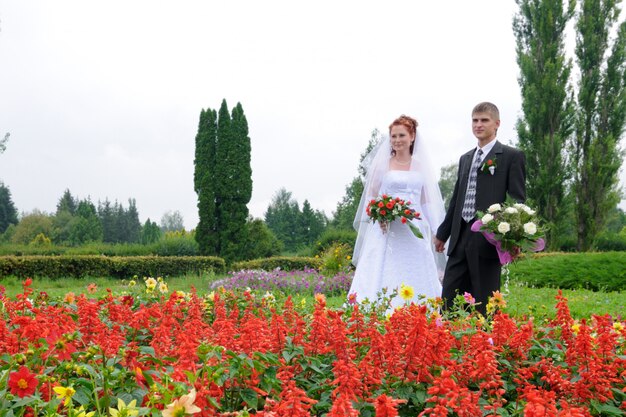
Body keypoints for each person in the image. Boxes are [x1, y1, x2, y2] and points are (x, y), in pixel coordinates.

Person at [434, 102, 526, 315]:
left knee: (485, 299)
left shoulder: (511, 156)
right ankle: (450, 342)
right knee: (450, 297)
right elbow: (457, 199)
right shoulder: (466, 158)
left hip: (488, 238)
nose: (478, 124)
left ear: (497, 124)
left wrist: (513, 237)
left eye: (484, 120)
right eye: (475, 120)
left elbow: (517, 200)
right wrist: (443, 233)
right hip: (459, 237)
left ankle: (487, 343)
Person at [350, 115, 447, 310]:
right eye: (393, 136)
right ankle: (378, 309)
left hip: (414, 230)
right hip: (387, 229)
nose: (397, 140)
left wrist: (439, 231)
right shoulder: (382, 165)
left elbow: (427, 203)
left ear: (412, 137)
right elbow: (371, 197)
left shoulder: (421, 167)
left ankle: (420, 308)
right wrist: (378, 215)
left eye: (401, 135)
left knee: (416, 266)